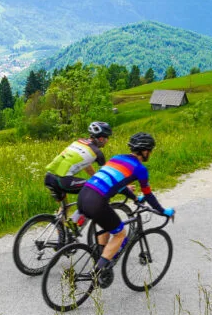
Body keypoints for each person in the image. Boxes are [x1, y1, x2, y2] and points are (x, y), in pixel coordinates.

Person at [77, 132, 174, 286]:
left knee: (108, 225)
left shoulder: (116, 158)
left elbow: (120, 185)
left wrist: (135, 198)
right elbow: (149, 195)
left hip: (83, 196)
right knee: (121, 233)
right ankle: (98, 272)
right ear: (145, 151)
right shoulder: (140, 169)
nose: (150, 153)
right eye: (150, 150)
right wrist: (163, 211)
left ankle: (101, 256)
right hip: (96, 202)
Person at [43, 121, 112, 208]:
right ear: (101, 139)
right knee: (94, 189)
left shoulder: (78, 142)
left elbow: (87, 165)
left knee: (64, 207)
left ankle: (58, 221)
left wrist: (94, 176)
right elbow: (106, 175)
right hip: (63, 180)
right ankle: (76, 220)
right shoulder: (97, 153)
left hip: (49, 177)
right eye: (107, 138)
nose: (107, 140)